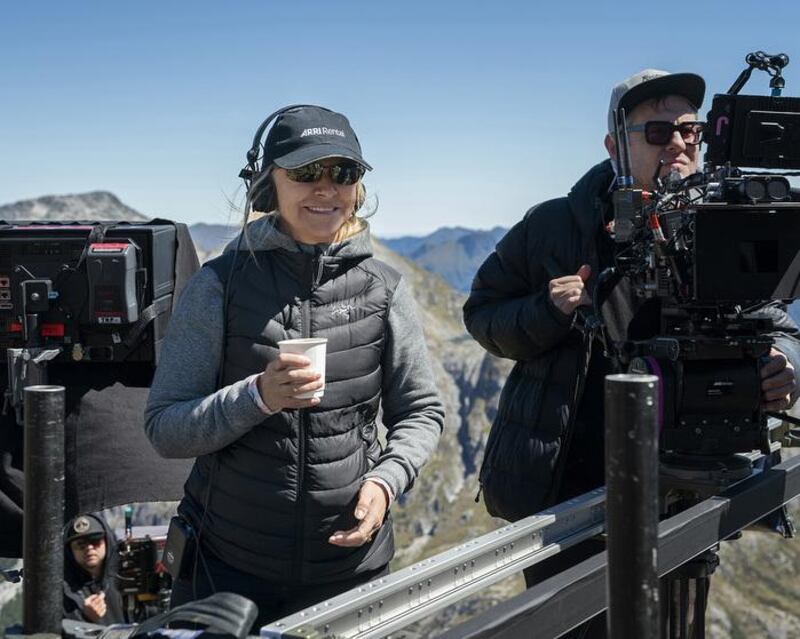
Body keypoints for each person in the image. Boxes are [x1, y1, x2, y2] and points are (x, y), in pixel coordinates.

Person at [463, 70, 800, 638]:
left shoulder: (726, 221)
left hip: (688, 485)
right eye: (658, 132)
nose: (679, 144)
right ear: (614, 144)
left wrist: (786, 369)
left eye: (691, 131)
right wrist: (549, 310)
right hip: (569, 498)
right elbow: (483, 317)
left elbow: (778, 324)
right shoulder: (554, 224)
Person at [144, 105, 445, 630]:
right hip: (228, 569)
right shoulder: (218, 286)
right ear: (267, 187)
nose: (325, 189)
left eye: (343, 173)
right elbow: (165, 428)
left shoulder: (383, 288)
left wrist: (387, 481)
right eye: (305, 173)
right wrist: (257, 396)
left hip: (352, 571)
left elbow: (421, 410)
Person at [63, 513, 125, 623]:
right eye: (80, 544)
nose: (89, 548)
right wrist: (86, 618)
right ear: (70, 551)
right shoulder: (64, 591)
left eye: (95, 541)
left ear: (107, 542)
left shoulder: (124, 578)